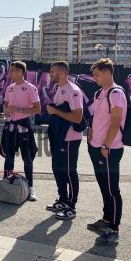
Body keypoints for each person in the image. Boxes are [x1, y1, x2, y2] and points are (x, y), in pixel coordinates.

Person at [87, 58, 127, 244]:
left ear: (107, 73)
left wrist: (106, 145)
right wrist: (90, 131)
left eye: (97, 74)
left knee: (112, 190)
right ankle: (106, 220)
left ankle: (114, 229)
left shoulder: (116, 93)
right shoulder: (99, 93)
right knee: (104, 187)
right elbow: (95, 116)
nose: (94, 78)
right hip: (96, 147)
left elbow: (116, 122)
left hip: (109, 149)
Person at [46, 61, 84, 220]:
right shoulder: (59, 88)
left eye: (52, 71)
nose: (50, 74)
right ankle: (62, 200)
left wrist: (55, 111)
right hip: (59, 136)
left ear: (61, 73)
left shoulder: (73, 90)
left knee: (69, 171)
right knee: (57, 168)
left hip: (70, 138)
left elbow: (77, 117)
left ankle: (71, 206)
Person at [0, 61, 40, 201]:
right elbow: (5, 105)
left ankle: (31, 188)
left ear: (21, 72)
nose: (10, 73)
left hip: (24, 125)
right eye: (10, 71)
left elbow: (37, 108)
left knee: (27, 158)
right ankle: (5, 186)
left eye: (13, 70)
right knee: (9, 157)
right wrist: (5, 111)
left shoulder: (30, 88)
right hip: (10, 125)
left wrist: (19, 109)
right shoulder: (9, 88)